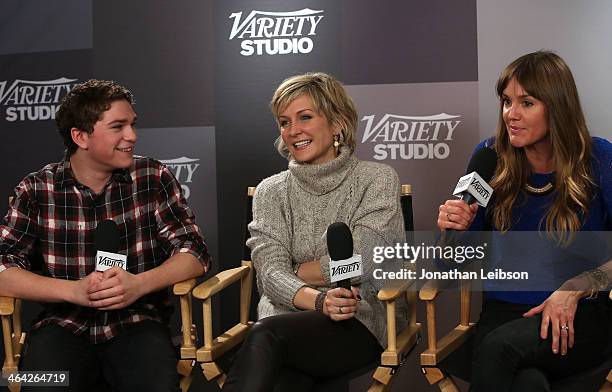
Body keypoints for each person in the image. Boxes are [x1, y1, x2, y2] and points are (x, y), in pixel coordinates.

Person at [0, 80, 210, 391]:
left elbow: (194, 253)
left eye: (132, 124)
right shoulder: (36, 188)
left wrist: (139, 285)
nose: (132, 136)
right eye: (118, 127)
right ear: (80, 136)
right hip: (60, 326)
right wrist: (74, 292)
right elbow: (3, 268)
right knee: (38, 383)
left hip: (139, 324)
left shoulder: (152, 176)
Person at [437, 51, 611, 391]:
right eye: (506, 102)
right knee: (527, 383)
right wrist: (452, 231)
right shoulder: (489, 156)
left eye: (526, 103)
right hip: (503, 313)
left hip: (581, 313)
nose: (510, 115)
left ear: (557, 107)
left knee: (499, 350)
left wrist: (575, 288)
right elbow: (450, 268)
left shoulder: (599, 159)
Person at [223, 72, 408, 391]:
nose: (293, 131)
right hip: (283, 322)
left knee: (267, 338)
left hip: (359, 318)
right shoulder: (271, 191)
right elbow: (269, 274)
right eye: (284, 122)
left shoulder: (376, 179)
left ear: (337, 123)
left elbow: (369, 259)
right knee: (285, 380)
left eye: (305, 117)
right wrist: (321, 300)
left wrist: (296, 271)